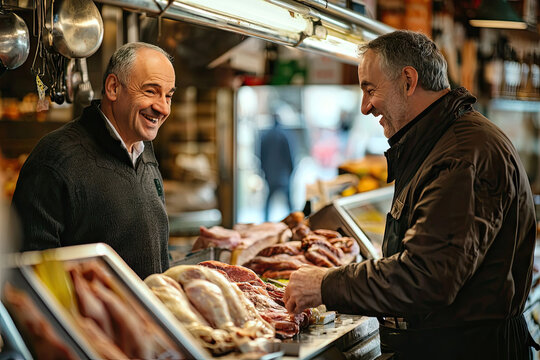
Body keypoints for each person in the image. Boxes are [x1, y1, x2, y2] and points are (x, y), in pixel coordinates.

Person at [284, 30, 539, 359]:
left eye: (370, 89)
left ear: (407, 80)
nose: (364, 107)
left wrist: (325, 284)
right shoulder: (443, 140)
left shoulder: (462, 155)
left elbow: (427, 276)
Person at [12, 42, 176, 279]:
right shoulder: (56, 157)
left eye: (168, 95)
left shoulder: (144, 150)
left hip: (152, 313)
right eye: (151, 91)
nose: (162, 107)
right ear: (113, 88)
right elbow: (31, 270)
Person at [260, 113, 294, 221]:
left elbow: (262, 156)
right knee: (288, 201)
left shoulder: (266, 135)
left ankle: (265, 220)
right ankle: (293, 221)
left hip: (271, 174)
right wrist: (291, 171)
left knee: (269, 200)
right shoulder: (284, 135)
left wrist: (264, 171)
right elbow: (290, 156)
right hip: (283, 174)